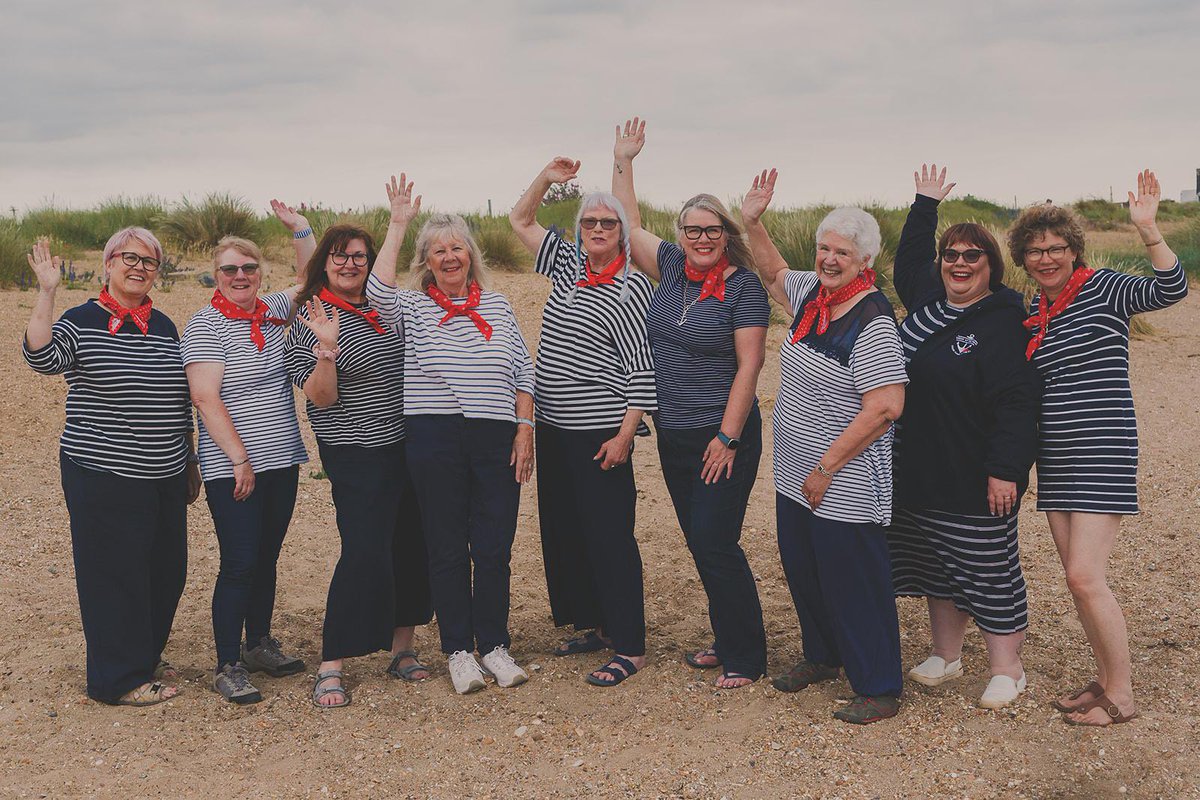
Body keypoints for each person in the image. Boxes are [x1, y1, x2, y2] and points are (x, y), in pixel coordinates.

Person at [1010, 170, 1187, 726]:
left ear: (1074, 249)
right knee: (1076, 578)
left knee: (1086, 576)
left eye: (1057, 248)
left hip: (1102, 447)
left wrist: (1149, 230)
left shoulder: (1104, 288)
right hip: (1056, 453)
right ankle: (1107, 678)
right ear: (1023, 257)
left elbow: (1171, 289)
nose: (1046, 258)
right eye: (1036, 251)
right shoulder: (1032, 312)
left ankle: (1124, 695)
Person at [741, 170, 908, 724]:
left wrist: (827, 466)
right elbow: (771, 270)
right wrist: (753, 221)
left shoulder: (871, 320)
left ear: (864, 263)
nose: (829, 259)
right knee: (806, 571)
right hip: (796, 472)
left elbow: (885, 406)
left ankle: (879, 685)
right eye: (823, 248)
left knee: (853, 578)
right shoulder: (813, 296)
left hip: (843, 480)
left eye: (841, 252)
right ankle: (824, 655)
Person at [612, 118, 769, 689]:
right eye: (692, 230)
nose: (702, 239)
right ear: (681, 235)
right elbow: (628, 223)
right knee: (699, 540)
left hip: (720, 435)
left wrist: (727, 438)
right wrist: (624, 158)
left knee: (714, 539)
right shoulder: (673, 269)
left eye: (712, 231)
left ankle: (747, 656)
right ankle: (727, 638)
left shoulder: (743, 287)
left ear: (726, 235)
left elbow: (749, 366)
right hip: (675, 431)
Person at [366, 176, 536, 695]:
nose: (449, 256)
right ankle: (459, 651)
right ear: (427, 261)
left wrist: (524, 428)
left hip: (496, 435)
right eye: (438, 250)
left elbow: (523, 373)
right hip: (434, 435)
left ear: (471, 254)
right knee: (444, 546)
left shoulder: (499, 306)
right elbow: (376, 291)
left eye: (457, 247)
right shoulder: (412, 308)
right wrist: (398, 224)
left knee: (493, 545)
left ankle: (495, 645)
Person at [884, 165, 1041, 709]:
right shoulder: (929, 303)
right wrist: (924, 204)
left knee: (988, 567)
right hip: (918, 466)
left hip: (976, 470)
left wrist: (1008, 469)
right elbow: (907, 262)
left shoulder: (1005, 319)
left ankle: (1007, 666)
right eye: (951, 255)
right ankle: (946, 654)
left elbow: (1019, 405)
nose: (959, 264)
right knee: (936, 562)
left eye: (972, 256)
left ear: (991, 266)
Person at [23, 229, 200, 706]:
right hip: (102, 471)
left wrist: (190, 456)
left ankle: (140, 656)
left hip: (164, 471)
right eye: (130, 258)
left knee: (166, 571)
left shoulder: (163, 325)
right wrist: (47, 291)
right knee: (114, 575)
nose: (139, 267)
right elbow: (41, 357)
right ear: (108, 264)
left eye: (150, 262)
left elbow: (179, 396)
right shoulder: (81, 320)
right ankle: (116, 680)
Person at [509, 157, 656, 687]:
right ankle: (597, 625)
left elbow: (643, 368)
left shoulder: (633, 289)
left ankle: (631, 645)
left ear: (621, 234)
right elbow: (520, 222)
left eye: (608, 223)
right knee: (568, 531)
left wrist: (624, 435)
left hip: (600, 432)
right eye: (589, 222)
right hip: (553, 426)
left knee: (610, 535)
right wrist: (546, 179)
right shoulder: (569, 266)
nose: (597, 230)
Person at [284, 219, 432, 709]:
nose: (350, 265)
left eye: (359, 257)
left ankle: (402, 648)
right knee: (364, 548)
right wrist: (327, 347)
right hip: (355, 451)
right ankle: (332, 661)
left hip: (406, 443)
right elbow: (321, 398)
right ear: (324, 260)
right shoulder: (310, 314)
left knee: (409, 544)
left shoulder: (383, 308)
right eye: (341, 256)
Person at [180, 205, 315, 704]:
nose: (241, 276)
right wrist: (239, 457)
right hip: (233, 465)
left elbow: (309, 274)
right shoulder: (205, 326)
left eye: (249, 268)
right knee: (239, 560)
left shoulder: (276, 310)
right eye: (230, 270)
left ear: (261, 272)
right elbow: (205, 397)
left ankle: (259, 643)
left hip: (282, 456)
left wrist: (300, 226)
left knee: (267, 556)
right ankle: (227, 662)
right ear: (216, 277)